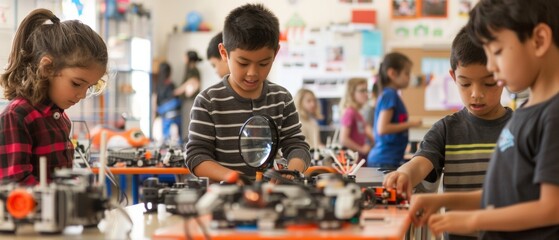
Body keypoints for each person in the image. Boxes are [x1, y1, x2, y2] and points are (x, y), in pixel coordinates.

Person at [409, 0, 559, 239]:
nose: (491, 66)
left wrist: (474, 220)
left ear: (539, 40)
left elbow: (552, 208)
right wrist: (442, 201)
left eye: (497, 52)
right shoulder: (525, 111)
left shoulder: (553, 116)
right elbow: (505, 195)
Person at [383, 27, 513, 240]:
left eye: (489, 83)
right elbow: (420, 163)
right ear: (453, 77)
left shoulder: (519, 127)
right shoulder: (446, 129)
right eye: (465, 83)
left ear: (502, 74)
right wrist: (404, 173)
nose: (476, 94)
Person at [185, 3, 310, 182]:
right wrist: (233, 177)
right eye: (243, 63)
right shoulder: (208, 102)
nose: (252, 73)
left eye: (263, 63)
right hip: (224, 201)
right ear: (224, 53)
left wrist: (290, 173)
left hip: (270, 198)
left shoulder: (281, 99)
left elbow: (297, 147)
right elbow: (196, 157)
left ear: (275, 54)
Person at [0, 9, 108, 185]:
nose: (81, 95)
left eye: (89, 87)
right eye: (76, 83)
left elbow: (60, 178)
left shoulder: (60, 118)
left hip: (60, 211)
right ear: (47, 68)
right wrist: (63, 199)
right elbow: (14, 185)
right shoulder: (17, 116)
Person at [367, 52, 421, 169]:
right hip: (384, 160)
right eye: (406, 73)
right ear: (392, 73)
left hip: (390, 159)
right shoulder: (390, 95)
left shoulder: (392, 95)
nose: (409, 77)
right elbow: (383, 128)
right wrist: (411, 124)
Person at [339, 78, 374, 160]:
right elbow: (343, 139)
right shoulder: (350, 112)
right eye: (362, 91)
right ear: (351, 93)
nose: (366, 94)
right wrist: (361, 149)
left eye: (366, 90)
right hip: (353, 161)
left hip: (360, 159)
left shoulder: (358, 114)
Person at [175, 50, 202, 142]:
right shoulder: (191, 69)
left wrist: (178, 91)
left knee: (188, 121)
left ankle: (187, 142)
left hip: (190, 100)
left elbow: (192, 82)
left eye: (185, 56)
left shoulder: (193, 69)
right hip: (188, 100)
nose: (183, 58)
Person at [156, 62, 181, 145]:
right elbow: (176, 96)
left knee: (166, 134)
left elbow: (156, 100)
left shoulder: (158, 85)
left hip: (164, 111)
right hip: (175, 111)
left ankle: (166, 142)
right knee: (179, 133)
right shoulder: (172, 84)